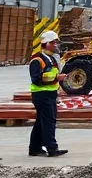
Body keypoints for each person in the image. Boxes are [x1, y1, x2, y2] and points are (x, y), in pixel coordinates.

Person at [28, 30, 67, 158]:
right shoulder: (37, 60)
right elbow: (37, 79)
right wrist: (56, 78)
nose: (55, 45)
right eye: (52, 42)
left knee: (41, 122)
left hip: (49, 94)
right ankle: (51, 148)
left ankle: (34, 148)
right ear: (45, 44)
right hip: (42, 95)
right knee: (49, 122)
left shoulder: (50, 59)